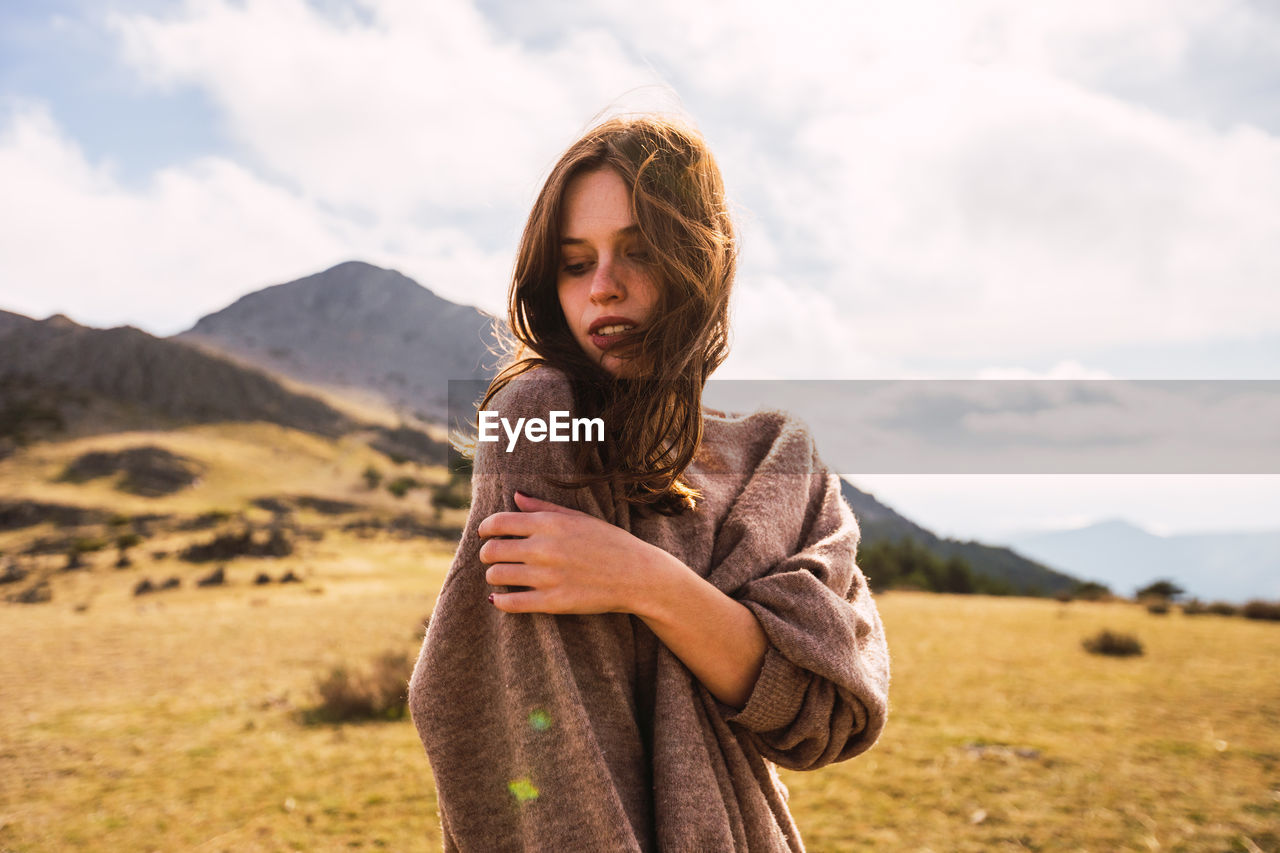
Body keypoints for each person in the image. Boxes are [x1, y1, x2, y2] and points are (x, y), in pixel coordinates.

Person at [409, 113, 890, 852]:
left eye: (639, 252)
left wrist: (645, 580)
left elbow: (826, 713)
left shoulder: (778, 459)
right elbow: (543, 740)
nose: (604, 287)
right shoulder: (539, 419)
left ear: (700, 260)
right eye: (575, 263)